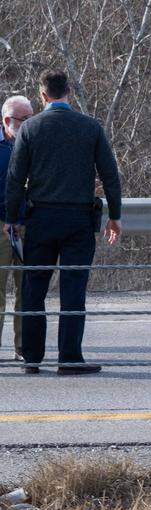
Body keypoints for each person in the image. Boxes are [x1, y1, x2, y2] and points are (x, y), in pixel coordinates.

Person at [6, 70, 122, 375]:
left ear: (42, 96)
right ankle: (69, 358)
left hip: (41, 218)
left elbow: (16, 179)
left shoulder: (30, 128)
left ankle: (32, 358)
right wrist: (115, 216)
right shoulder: (90, 127)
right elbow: (110, 175)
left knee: (34, 289)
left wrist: (12, 219)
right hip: (78, 220)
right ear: (68, 91)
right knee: (73, 290)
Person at [0, 95, 33, 361]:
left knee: (27, 290)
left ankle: (24, 348)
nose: (31, 123)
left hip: (27, 226)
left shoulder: (34, 142)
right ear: (8, 120)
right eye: (26, 119)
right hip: (1, 225)